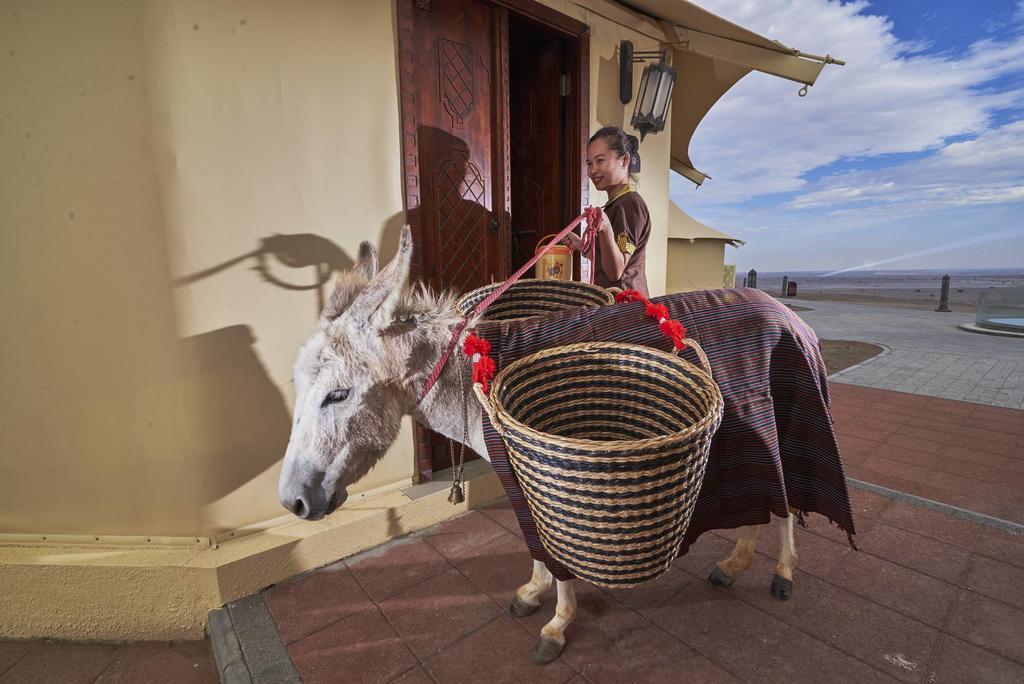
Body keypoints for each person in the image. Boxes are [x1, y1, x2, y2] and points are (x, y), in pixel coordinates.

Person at [563, 126, 650, 296]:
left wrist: (606, 228)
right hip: (615, 306)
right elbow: (608, 261)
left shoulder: (630, 205)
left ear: (624, 160)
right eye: (589, 163)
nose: (593, 170)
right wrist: (582, 246)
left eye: (600, 160)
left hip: (625, 309)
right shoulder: (617, 204)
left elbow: (615, 272)